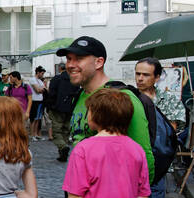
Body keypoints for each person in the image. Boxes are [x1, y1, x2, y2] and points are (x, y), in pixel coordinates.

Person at [61, 37, 153, 183]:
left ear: (99, 62)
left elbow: (144, 155)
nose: (70, 65)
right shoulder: (78, 96)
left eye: (78, 59)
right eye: (68, 59)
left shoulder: (121, 97)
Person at [133, 57, 182, 198]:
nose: (140, 78)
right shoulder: (128, 98)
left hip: (156, 170)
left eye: (145, 75)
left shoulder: (169, 102)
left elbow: (169, 135)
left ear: (157, 77)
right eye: (138, 74)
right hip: (130, 168)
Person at [46, 66, 80, 162]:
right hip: (70, 109)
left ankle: (63, 147)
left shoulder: (56, 79)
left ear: (60, 69)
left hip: (57, 108)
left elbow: (51, 94)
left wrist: (50, 106)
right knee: (65, 130)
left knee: (57, 131)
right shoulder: (75, 79)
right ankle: (62, 153)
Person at [28, 66, 47, 139]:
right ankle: (32, 134)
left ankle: (36, 134)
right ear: (38, 72)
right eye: (42, 73)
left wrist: (41, 89)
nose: (42, 75)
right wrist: (42, 89)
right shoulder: (33, 80)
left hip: (40, 101)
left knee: (38, 118)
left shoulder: (39, 81)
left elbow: (45, 89)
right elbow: (37, 90)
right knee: (33, 118)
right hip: (34, 101)